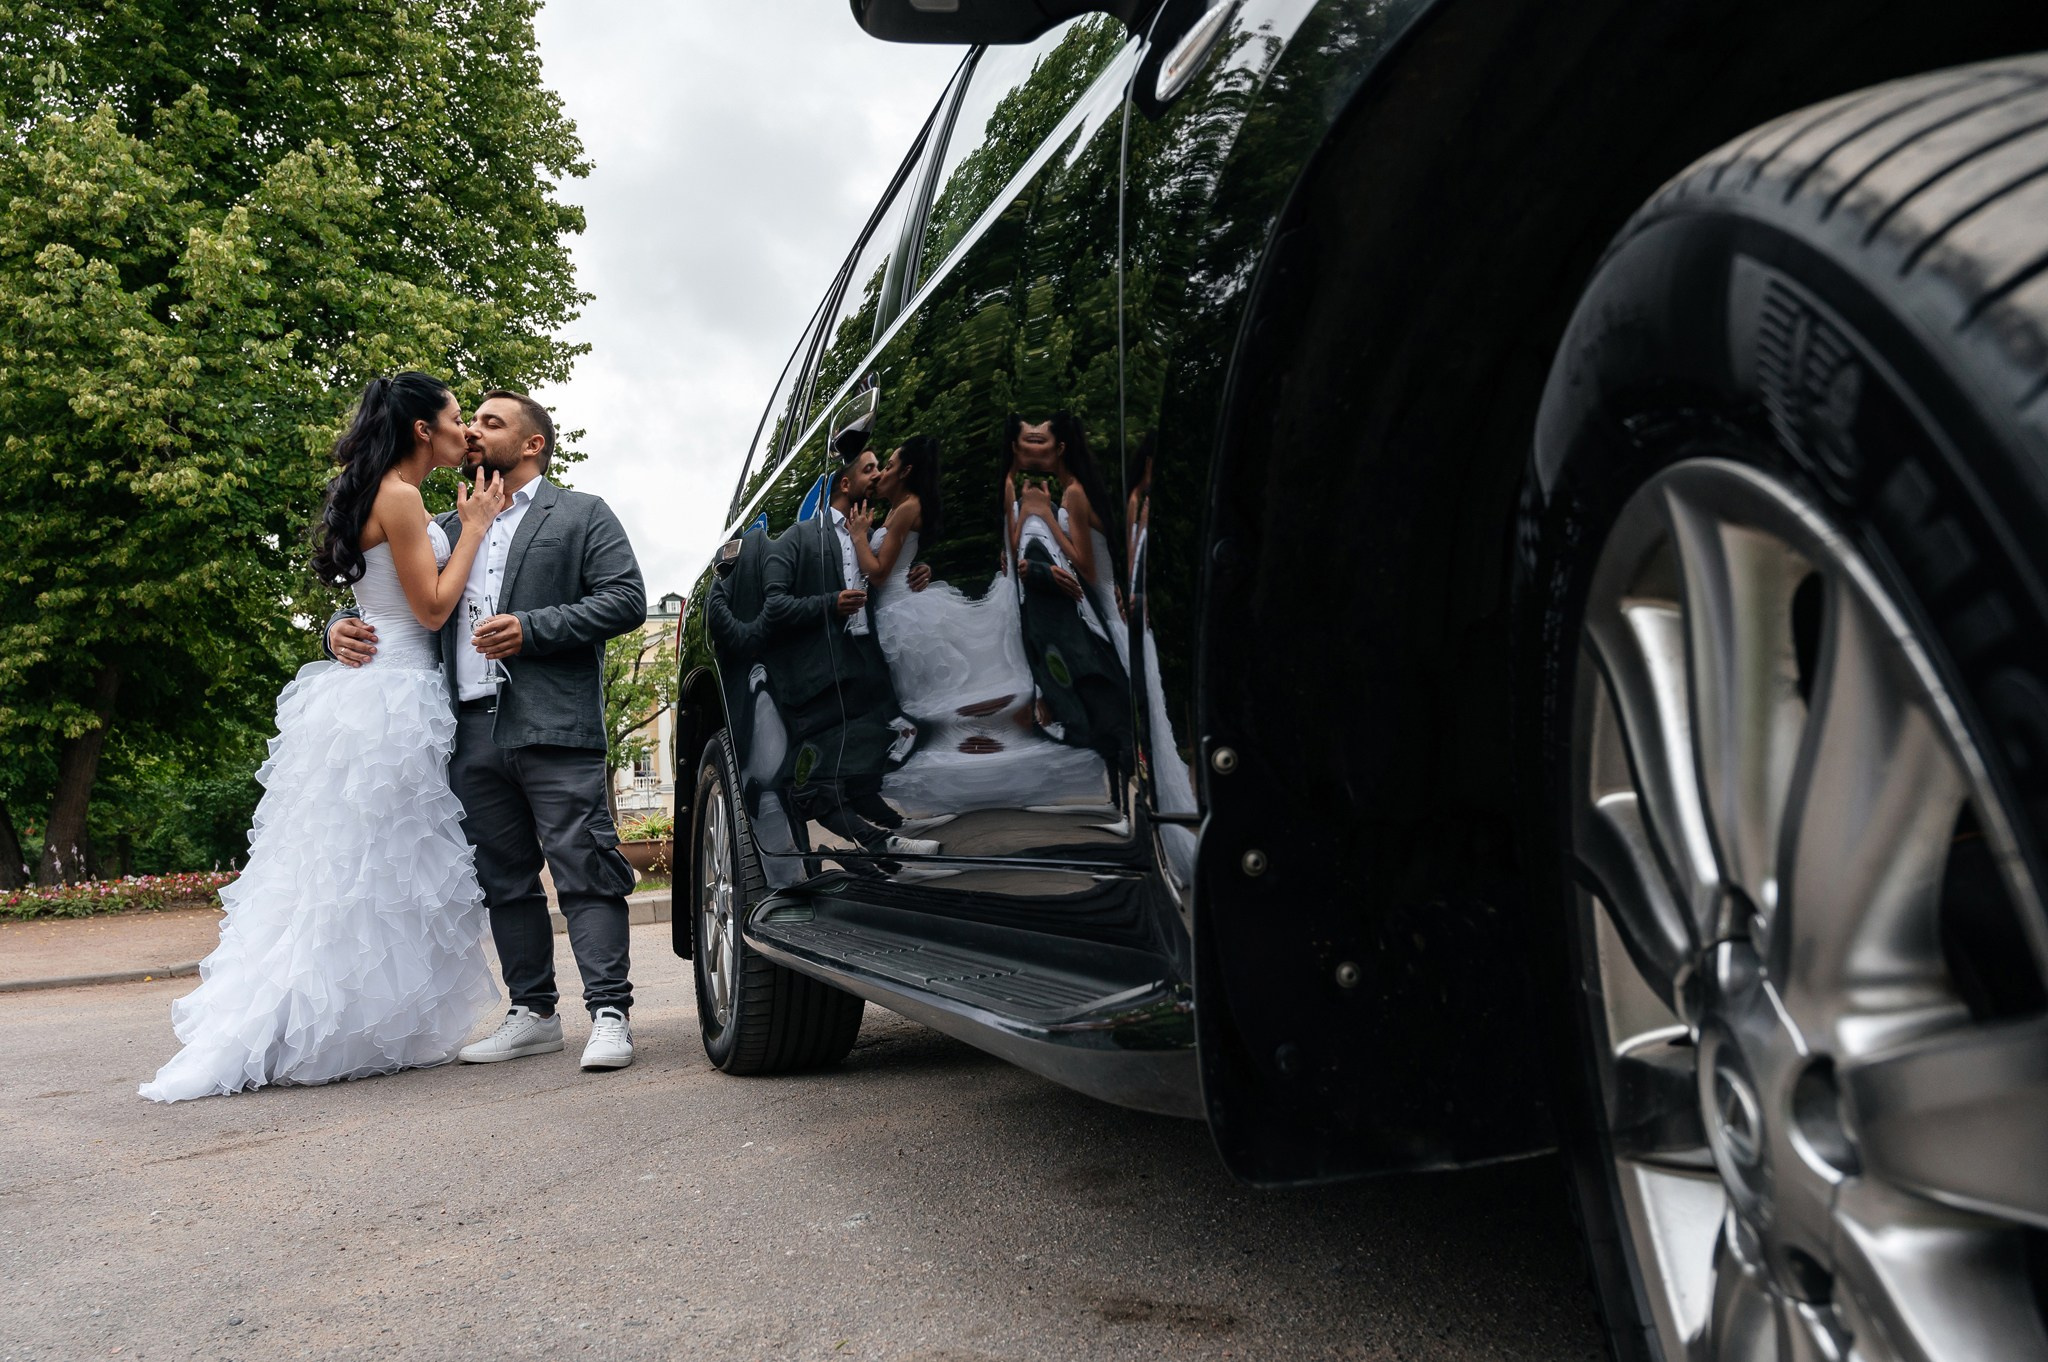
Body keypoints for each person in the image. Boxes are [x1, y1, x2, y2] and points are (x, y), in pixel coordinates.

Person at [140, 373, 506, 1102]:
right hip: (396, 695)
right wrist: (473, 529)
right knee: (371, 871)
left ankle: (354, 1025)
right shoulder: (400, 498)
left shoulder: (392, 494)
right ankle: (325, 1027)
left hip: (373, 692)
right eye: (457, 419)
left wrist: (341, 623)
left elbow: (377, 592)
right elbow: (432, 610)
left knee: (368, 869)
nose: (466, 431)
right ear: (421, 431)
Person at [324, 390, 647, 1072]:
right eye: (467, 418)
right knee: (504, 880)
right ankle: (533, 1014)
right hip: (467, 729)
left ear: (531, 444)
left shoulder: (582, 513)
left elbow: (626, 600)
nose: (472, 430)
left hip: (554, 722)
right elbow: (406, 606)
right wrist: (338, 629)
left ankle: (609, 1013)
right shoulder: (442, 522)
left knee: (584, 868)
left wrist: (534, 629)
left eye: (491, 422)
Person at [754, 438, 928, 855]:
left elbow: (885, 573)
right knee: (821, 779)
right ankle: (882, 843)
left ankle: (896, 828)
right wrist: (828, 603)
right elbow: (775, 606)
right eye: (870, 469)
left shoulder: (872, 529)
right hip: (819, 676)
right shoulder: (801, 538)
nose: (878, 476)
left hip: (867, 658)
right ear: (846, 482)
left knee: (864, 758)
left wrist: (919, 571)